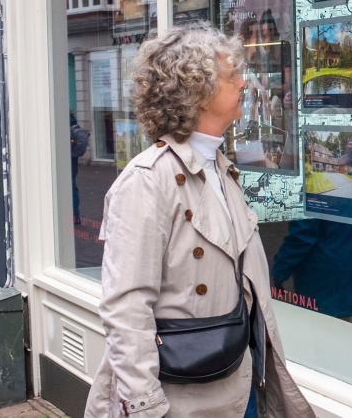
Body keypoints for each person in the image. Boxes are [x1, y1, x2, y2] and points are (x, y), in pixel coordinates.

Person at [84, 23, 312, 418]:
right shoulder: (146, 182)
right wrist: (146, 407)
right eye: (231, 76)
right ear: (198, 90)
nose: (244, 84)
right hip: (183, 398)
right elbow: (126, 307)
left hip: (240, 381)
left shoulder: (221, 170)